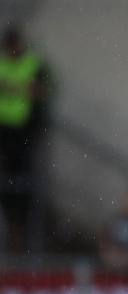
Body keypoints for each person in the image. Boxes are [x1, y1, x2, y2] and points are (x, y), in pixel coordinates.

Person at [0, 25, 50, 254]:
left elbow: (41, 90)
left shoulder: (34, 63)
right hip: (3, 131)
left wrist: (16, 87)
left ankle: (19, 236)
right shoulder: (2, 64)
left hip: (23, 134)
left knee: (22, 185)